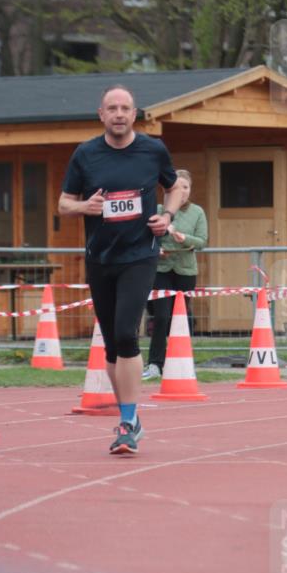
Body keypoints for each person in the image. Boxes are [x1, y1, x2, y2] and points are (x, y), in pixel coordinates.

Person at [58, 84, 182, 454]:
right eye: (111, 108)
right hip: (100, 258)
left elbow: (174, 187)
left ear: (134, 113)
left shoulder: (152, 149)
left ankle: (127, 420)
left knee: (127, 333)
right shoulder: (86, 154)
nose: (118, 114)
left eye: (125, 108)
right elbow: (64, 203)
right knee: (113, 346)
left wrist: (167, 215)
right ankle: (132, 418)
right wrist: (85, 209)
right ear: (101, 114)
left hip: (140, 254)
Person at [142, 169, 208, 379]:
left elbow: (202, 241)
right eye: (178, 187)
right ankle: (154, 364)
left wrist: (185, 239)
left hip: (185, 271)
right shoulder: (159, 209)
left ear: (190, 189)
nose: (182, 191)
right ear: (169, 189)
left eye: (186, 187)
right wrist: (155, 250)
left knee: (181, 318)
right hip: (161, 270)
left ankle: (181, 362)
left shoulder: (197, 212)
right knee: (161, 317)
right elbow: (145, 236)